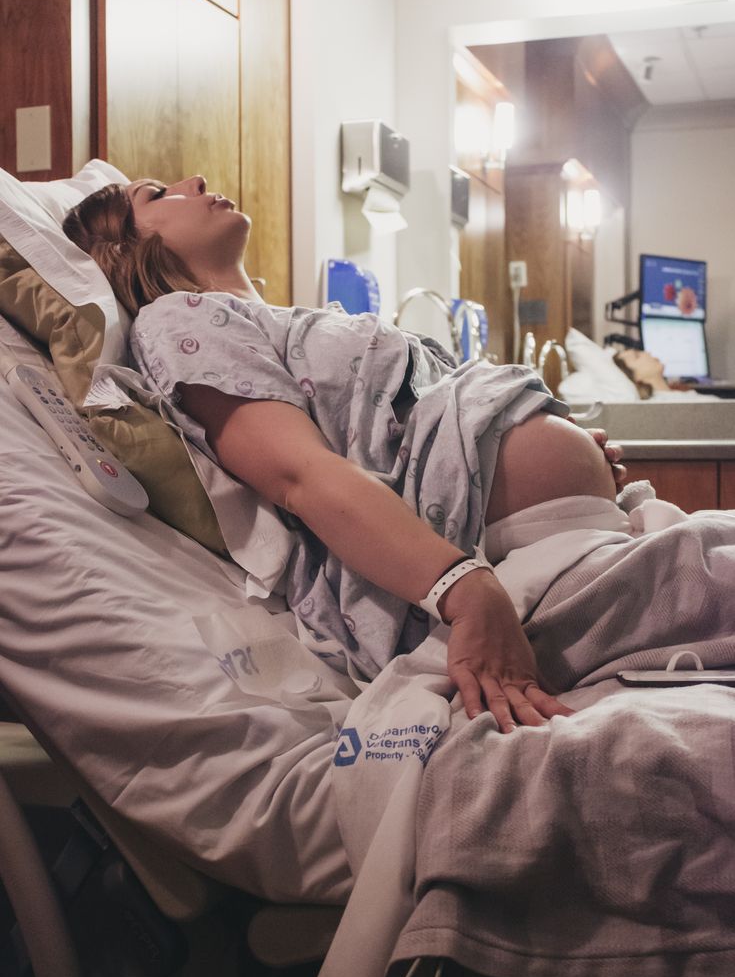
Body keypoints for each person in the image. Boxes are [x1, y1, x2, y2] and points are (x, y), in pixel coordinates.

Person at [63, 175, 625, 736]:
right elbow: (298, 475)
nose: (196, 180)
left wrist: (547, 445)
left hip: (534, 543)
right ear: (124, 248)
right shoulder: (179, 318)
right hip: (479, 570)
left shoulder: (280, 322)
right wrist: (465, 591)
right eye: (157, 195)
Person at [613, 347, 714, 402]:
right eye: (637, 356)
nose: (647, 353)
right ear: (634, 377)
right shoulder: (659, 406)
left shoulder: (680, 394)